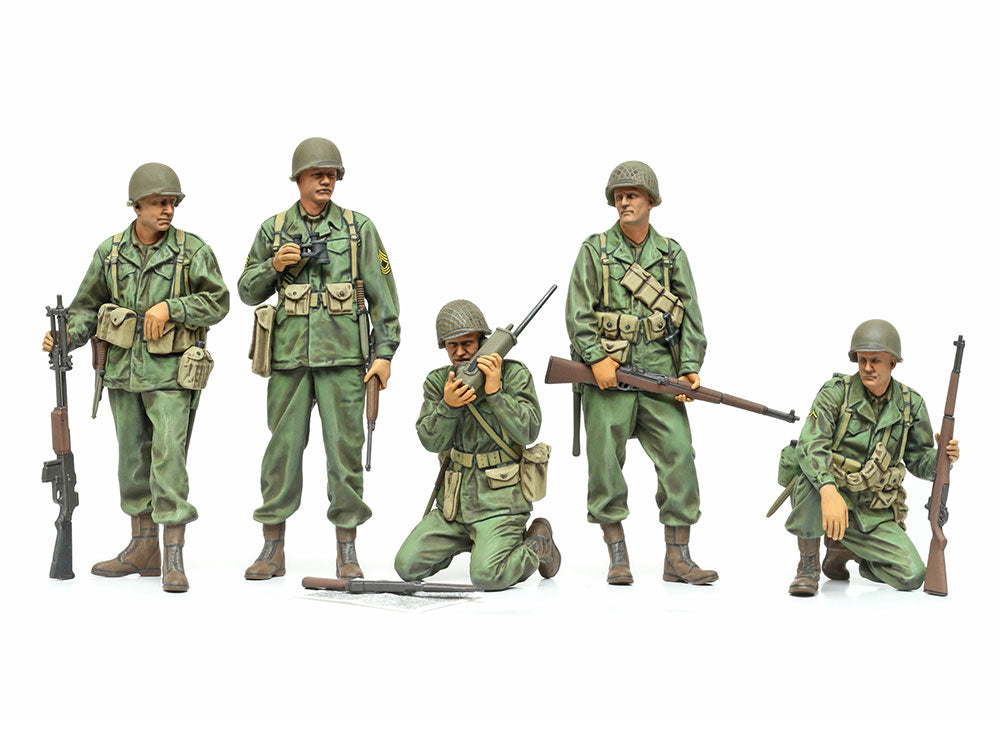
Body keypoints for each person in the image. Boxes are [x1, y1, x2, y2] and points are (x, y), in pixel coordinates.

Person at [42, 163, 229, 593]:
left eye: (172, 202)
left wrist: (173, 308)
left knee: (169, 459)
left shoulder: (192, 251)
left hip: (171, 375)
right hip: (123, 374)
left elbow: (218, 301)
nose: (167, 210)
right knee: (131, 461)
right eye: (159, 202)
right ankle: (143, 548)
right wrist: (65, 337)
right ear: (136, 205)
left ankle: (173, 556)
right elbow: (87, 308)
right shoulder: (110, 254)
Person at [239, 137, 400, 580]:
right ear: (299, 179)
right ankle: (273, 548)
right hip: (289, 361)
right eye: (317, 174)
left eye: (331, 174)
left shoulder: (358, 229)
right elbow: (246, 290)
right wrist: (274, 265)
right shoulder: (273, 230)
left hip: (344, 360)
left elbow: (384, 294)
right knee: (281, 453)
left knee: (345, 454)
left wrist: (385, 353)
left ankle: (347, 549)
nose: (326, 181)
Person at [565, 160, 714, 585]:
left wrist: (689, 368)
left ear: (651, 200)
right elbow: (578, 312)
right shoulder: (595, 250)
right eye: (619, 196)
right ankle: (618, 556)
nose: (624, 202)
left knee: (679, 455)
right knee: (604, 464)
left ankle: (677, 558)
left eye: (632, 195)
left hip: (659, 373)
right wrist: (595, 358)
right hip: (609, 377)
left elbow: (691, 316)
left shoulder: (670, 255)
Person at [784, 319, 960, 596]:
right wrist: (828, 490)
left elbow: (918, 459)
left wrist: (942, 459)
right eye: (862, 360)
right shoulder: (836, 393)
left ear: (893, 363)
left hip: (873, 508)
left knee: (912, 576)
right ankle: (808, 566)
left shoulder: (911, 405)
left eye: (875, 360)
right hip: (830, 497)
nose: (867, 367)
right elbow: (811, 444)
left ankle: (846, 550)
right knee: (807, 474)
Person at [394, 300, 560, 591]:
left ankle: (537, 544)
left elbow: (528, 431)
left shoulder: (513, 374)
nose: (460, 351)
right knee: (406, 566)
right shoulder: (439, 382)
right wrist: (448, 405)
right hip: (455, 504)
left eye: (467, 343)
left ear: (483, 341)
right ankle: (480, 544)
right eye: (452, 345)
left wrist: (495, 393)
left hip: (500, 502)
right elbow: (431, 441)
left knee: (487, 577)